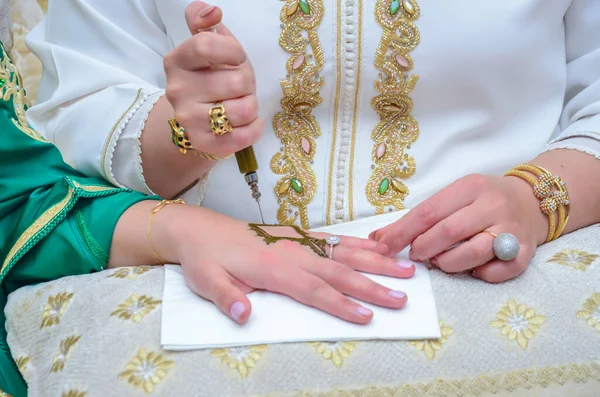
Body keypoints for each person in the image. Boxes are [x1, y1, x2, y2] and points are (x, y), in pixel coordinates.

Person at [25, 0, 600, 284]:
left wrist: (536, 199)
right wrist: (184, 135)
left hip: (506, 271)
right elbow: (76, 105)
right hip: (205, 279)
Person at [0, 14, 413, 396]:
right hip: (173, 276)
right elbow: (68, 127)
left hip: (442, 253)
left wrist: (483, 185)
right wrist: (185, 139)